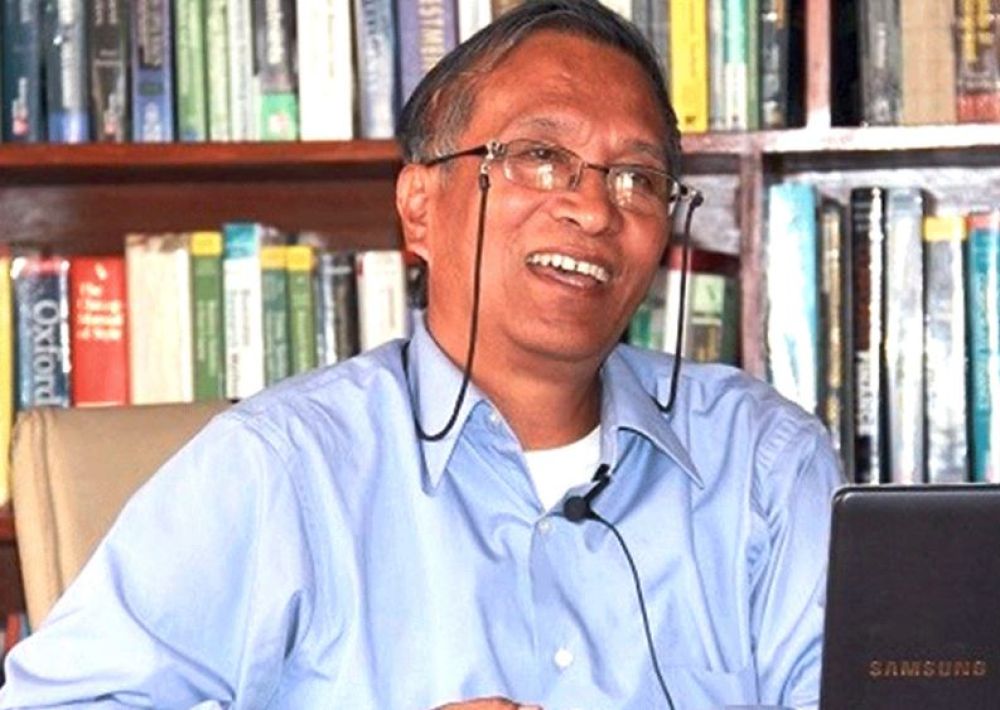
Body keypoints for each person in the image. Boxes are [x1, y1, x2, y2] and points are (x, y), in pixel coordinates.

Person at [0, 1, 843, 708]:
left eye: (637, 178)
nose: (593, 208)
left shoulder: (762, 466)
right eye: (539, 157)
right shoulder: (281, 469)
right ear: (418, 207)